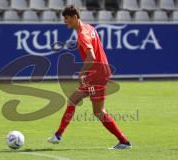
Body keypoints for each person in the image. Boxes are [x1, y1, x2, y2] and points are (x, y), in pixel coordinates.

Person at [47, 5, 132, 149]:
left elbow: (91, 56)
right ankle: (58, 134)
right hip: (99, 71)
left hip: (96, 74)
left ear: (75, 17)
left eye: (67, 19)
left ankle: (124, 141)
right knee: (77, 101)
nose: (65, 22)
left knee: (97, 111)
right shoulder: (89, 28)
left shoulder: (82, 34)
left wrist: (81, 73)